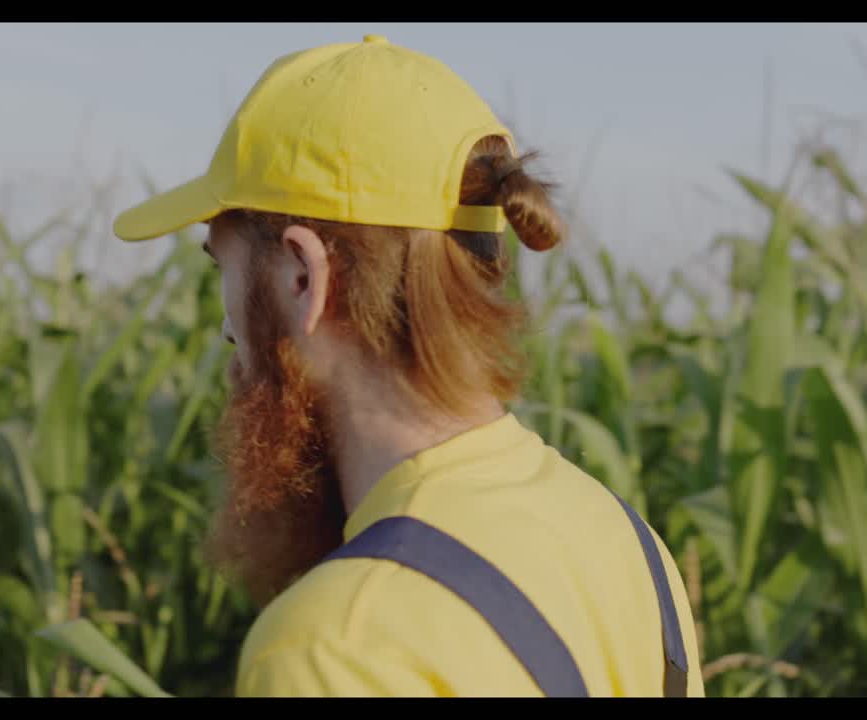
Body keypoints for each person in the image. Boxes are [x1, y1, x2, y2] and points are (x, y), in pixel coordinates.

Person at [113, 33, 705, 698]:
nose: (225, 325)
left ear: (303, 276)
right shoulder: (630, 544)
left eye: (222, 266)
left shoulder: (332, 648)